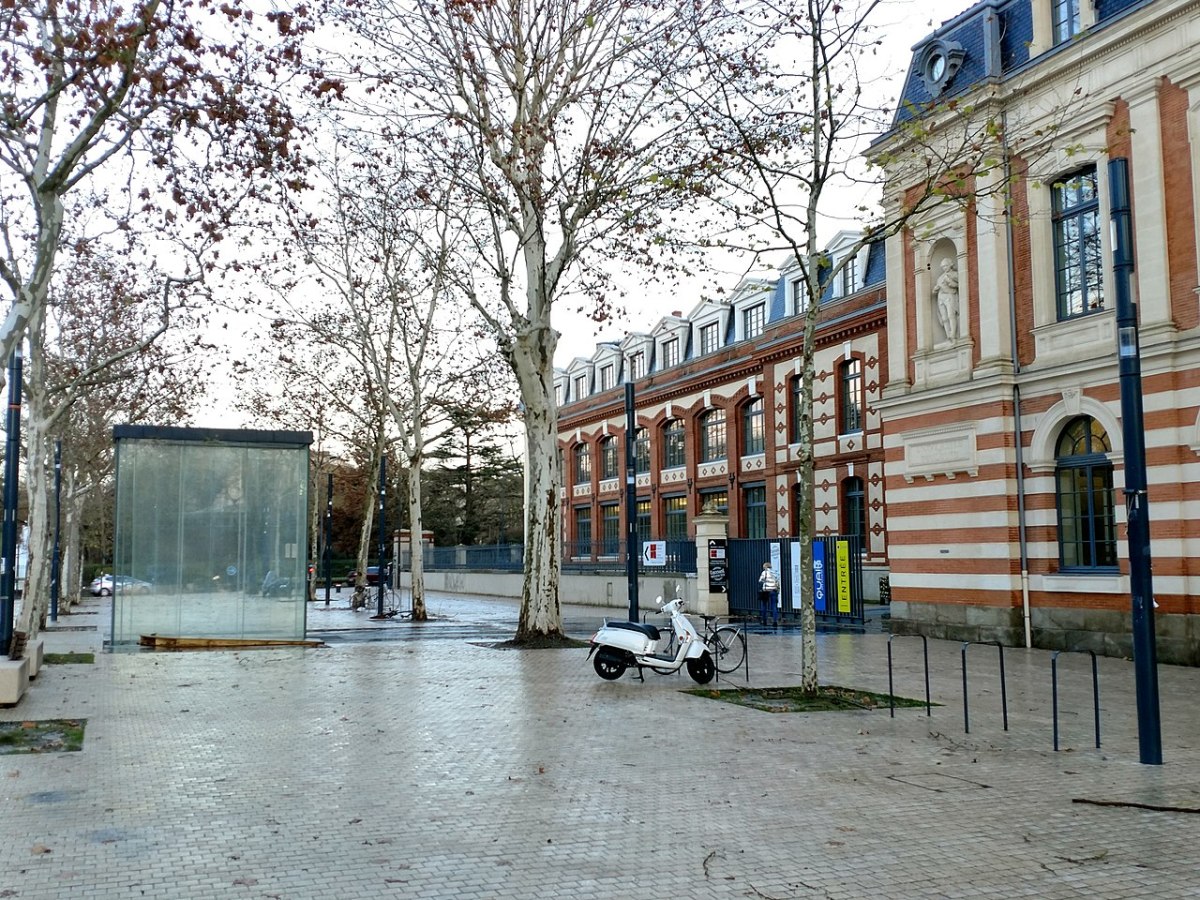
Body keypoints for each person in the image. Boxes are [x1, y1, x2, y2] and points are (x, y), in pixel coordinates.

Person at [934, 258, 959, 342]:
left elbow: (957, 285)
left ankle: (953, 334)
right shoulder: (940, 277)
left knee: (951, 315)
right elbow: (936, 287)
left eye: (945, 266)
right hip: (941, 297)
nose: (944, 268)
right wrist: (935, 289)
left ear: (950, 265)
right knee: (944, 317)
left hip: (949, 295)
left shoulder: (955, 274)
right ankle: (948, 335)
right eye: (943, 267)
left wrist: (949, 282)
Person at [758, 562, 780, 627]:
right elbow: (777, 581)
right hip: (774, 590)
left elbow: (760, 580)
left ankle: (764, 621)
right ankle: (775, 621)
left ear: (765, 567)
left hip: (766, 591)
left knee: (764, 605)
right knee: (774, 606)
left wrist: (765, 582)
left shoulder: (764, 572)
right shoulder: (774, 572)